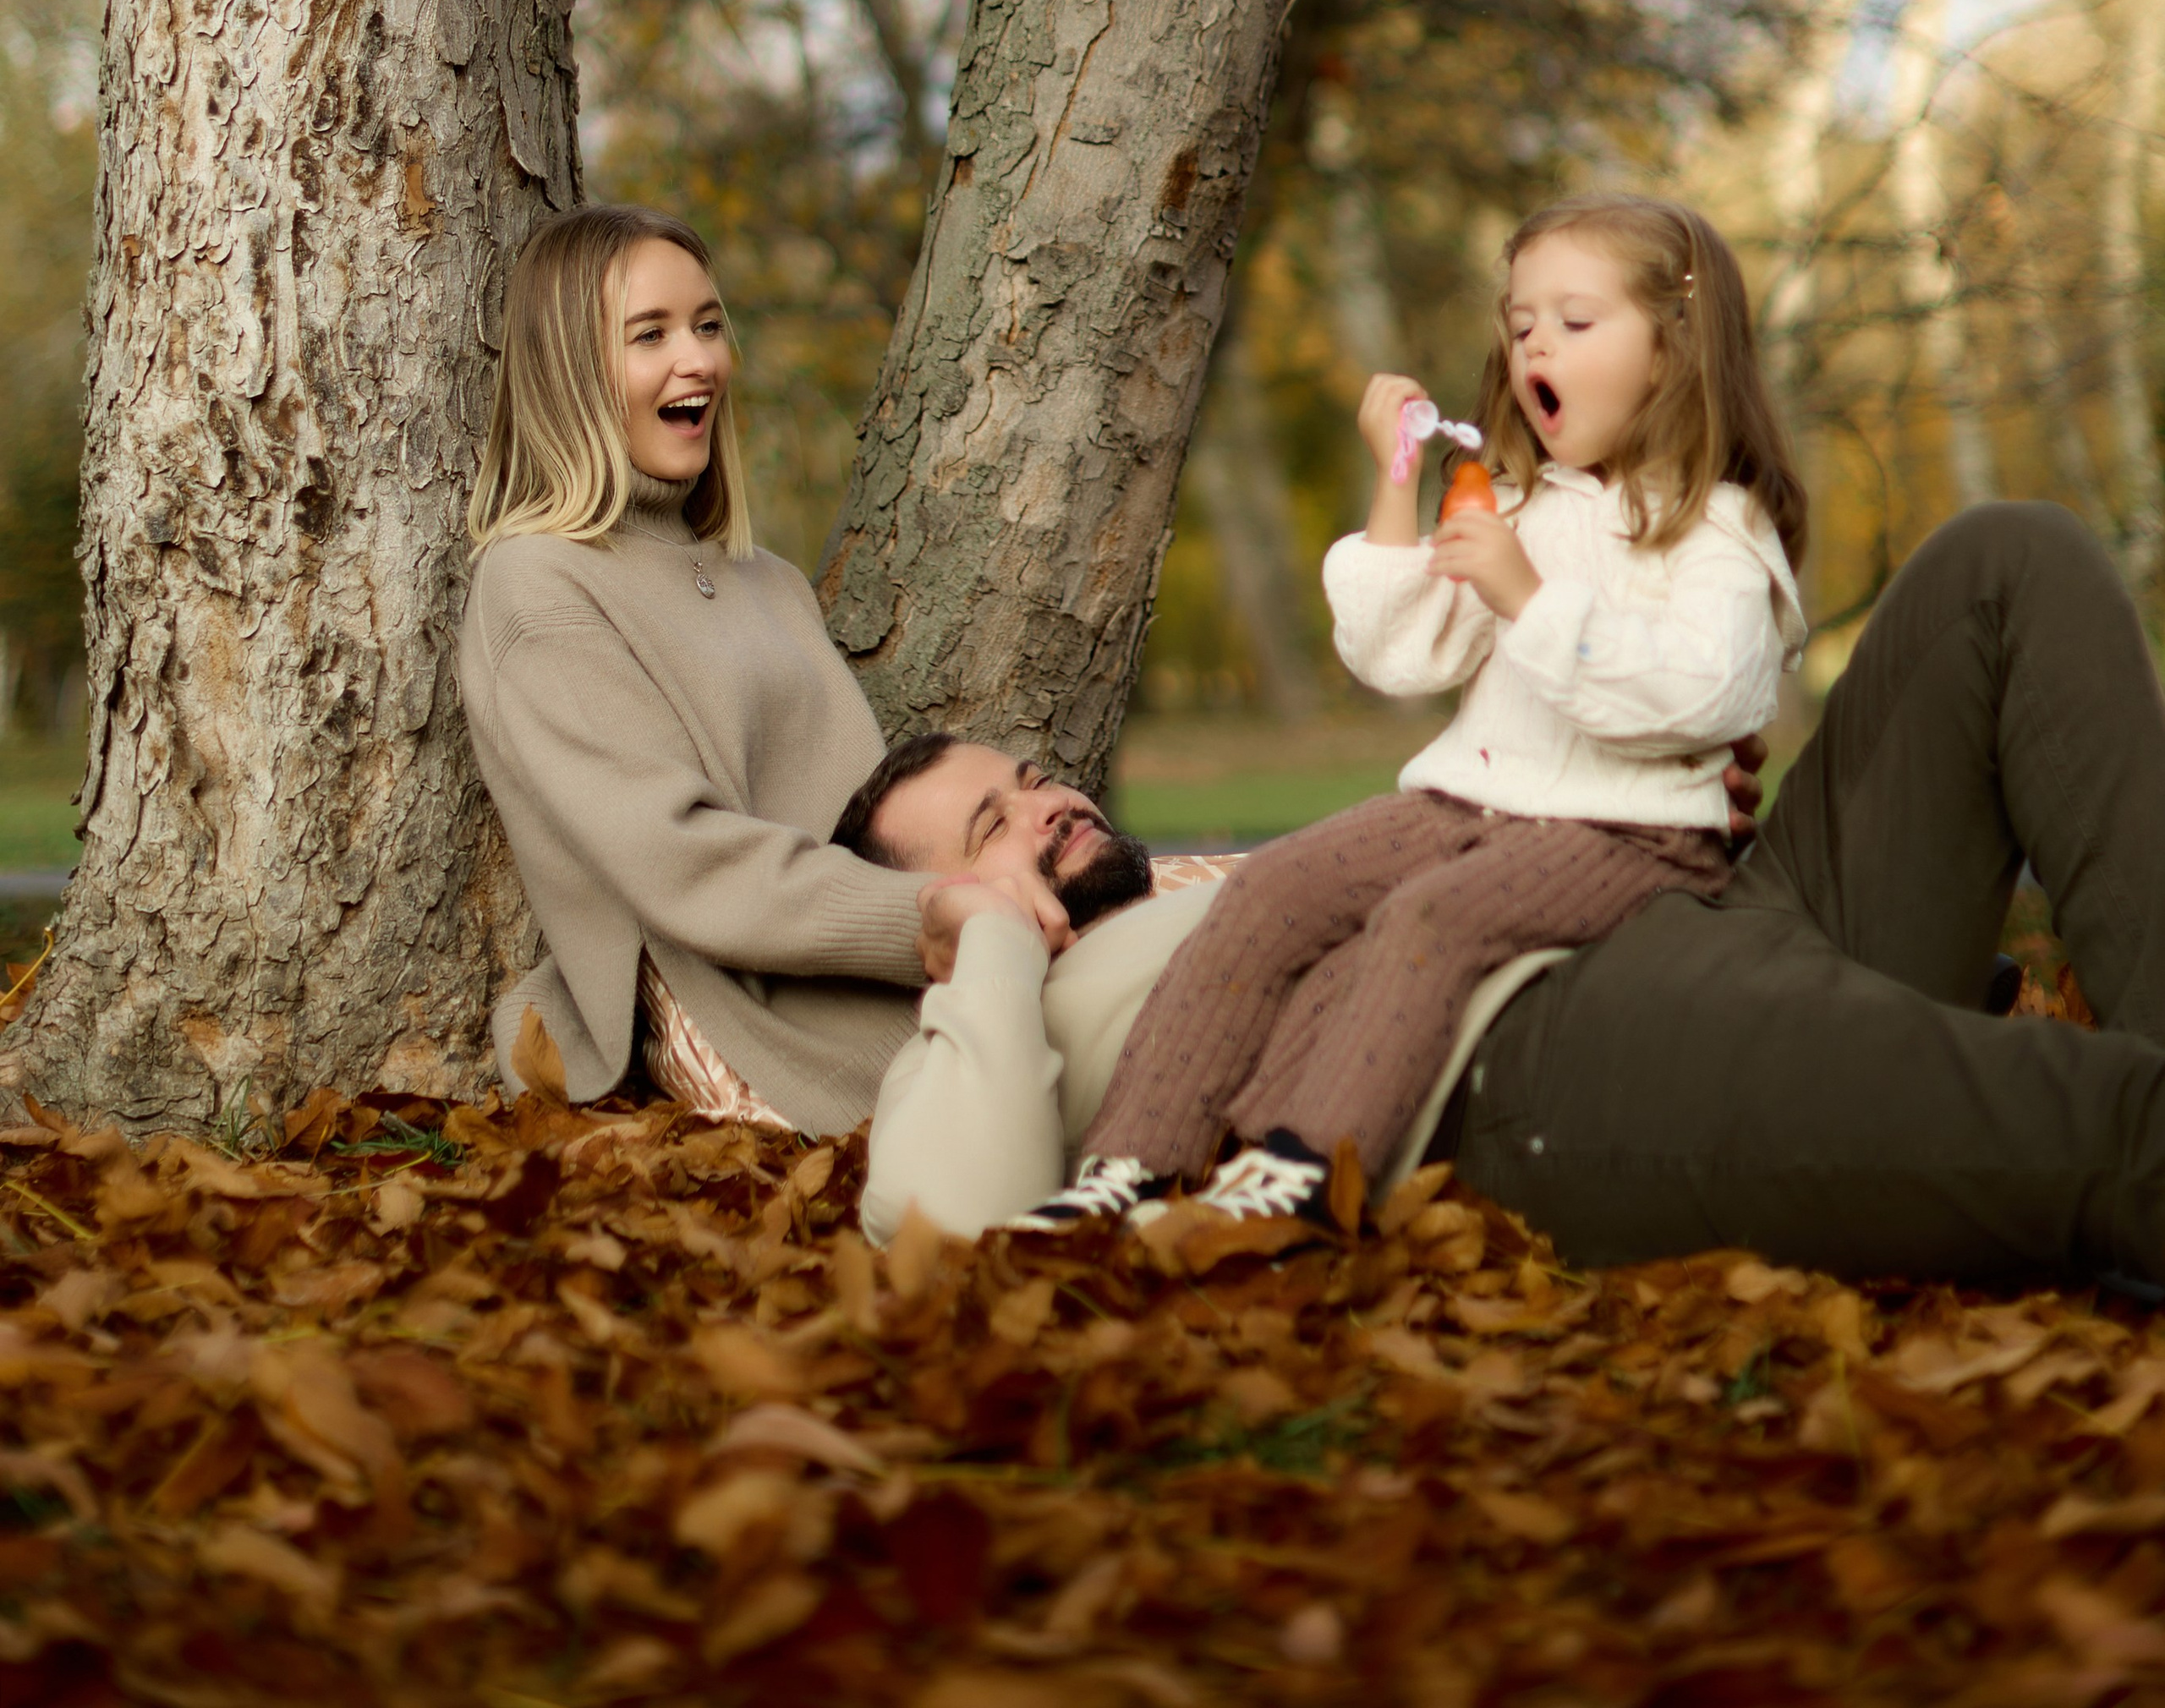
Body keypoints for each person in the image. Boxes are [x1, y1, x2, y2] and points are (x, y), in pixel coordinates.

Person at [853, 500, 2165, 1293]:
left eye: (1029, 779)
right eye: (992, 826)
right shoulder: (971, 1038)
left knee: (2006, 567)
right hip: (1559, 1054)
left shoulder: (1226, 889)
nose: (1045, 804)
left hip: (1706, 903)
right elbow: (953, 1225)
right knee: (2107, 1131)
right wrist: (986, 955)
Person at [1013, 196, 1806, 1229]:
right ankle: (1125, 1164)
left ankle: (1298, 1173)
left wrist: (1526, 596)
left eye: (1574, 322)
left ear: (1672, 349)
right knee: (1273, 888)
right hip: (1468, 803)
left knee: (1425, 921)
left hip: (1634, 830)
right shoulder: (1523, 504)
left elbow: (1709, 694)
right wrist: (1398, 482)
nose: (1536, 348)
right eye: (1521, 326)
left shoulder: (1715, 529)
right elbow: (1400, 654)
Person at [458, 203, 930, 1133]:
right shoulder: (538, 583)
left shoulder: (769, 583)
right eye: (652, 335)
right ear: (569, 372)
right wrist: (934, 920)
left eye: (709, 326)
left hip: (885, 964)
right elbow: (683, 860)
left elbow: (856, 813)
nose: (701, 360)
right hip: (750, 1019)